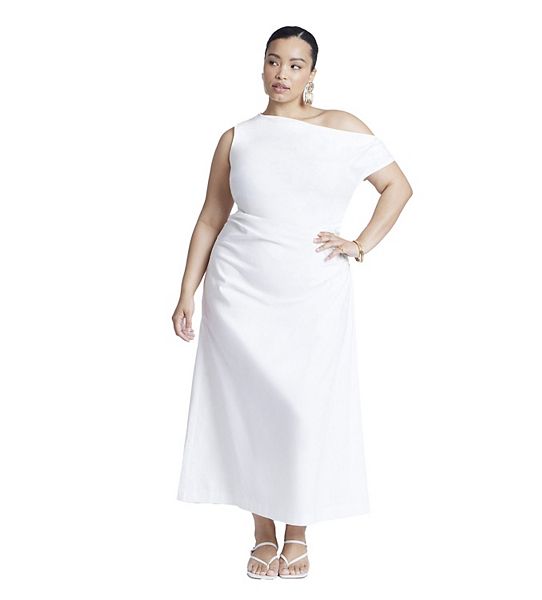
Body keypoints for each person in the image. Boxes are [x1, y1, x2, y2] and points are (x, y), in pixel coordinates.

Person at [172, 25, 413, 580]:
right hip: (239, 288)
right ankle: (263, 532)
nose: (282, 73)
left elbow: (397, 187)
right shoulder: (237, 137)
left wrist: (359, 244)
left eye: (295, 64)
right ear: (262, 66)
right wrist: (187, 291)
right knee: (251, 408)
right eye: (273, 61)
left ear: (312, 74)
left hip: (312, 291)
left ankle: (297, 530)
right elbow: (211, 218)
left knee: (303, 408)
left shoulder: (343, 127)